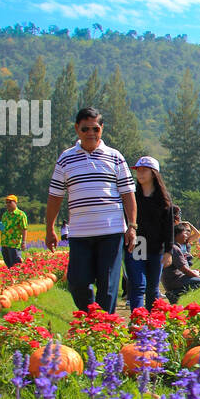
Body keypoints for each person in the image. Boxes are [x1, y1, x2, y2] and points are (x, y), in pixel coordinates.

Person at [46, 107, 137, 313]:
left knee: (108, 285)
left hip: (111, 232)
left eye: (95, 128)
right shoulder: (66, 159)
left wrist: (132, 226)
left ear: (102, 129)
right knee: (77, 282)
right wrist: (50, 228)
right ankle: (92, 316)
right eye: (85, 129)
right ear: (77, 129)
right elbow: (55, 196)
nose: (91, 133)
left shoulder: (115, 157)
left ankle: (103, 326)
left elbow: (128, 194)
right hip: (80, 232)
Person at [124, 156, 175, 312]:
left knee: (153, 288)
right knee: (138, 285)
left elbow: (168, 228)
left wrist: (168, 251)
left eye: (144, 170)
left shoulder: (164, 200)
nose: (140, 174)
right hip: (137, 245)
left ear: (154, 173)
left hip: (156, 248)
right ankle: (137, 321)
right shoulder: (132, 197)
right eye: (138, 170)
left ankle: (153, 323)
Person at [162, 223, 200, 304]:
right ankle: (175, 294)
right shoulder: (175, 248)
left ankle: (179, 295)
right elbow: (184, 269)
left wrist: (194, 272)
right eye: (184, 233)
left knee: (198, 277)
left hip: (174, 279)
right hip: (174, 281)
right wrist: (198, 277)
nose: (187, 235)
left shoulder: (174, 246)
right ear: (177, 235)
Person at [0, 194, 28, 268]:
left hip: (14, 244)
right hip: (5, 243)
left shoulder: (20, 215)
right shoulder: (5, 214)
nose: (8, 204)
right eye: (7, 202)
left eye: (10, 202)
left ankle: (19, 278)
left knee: (16, 264)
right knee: (8, 264)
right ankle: (12, 278)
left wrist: (23, 242)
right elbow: (3, 227)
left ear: (15, 203)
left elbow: (24, 229)